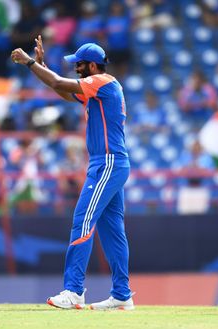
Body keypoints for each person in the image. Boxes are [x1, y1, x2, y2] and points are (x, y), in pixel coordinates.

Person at [11, 37, 134, 310]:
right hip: (109, 163)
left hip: (107, 163)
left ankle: (74, 290)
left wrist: (30, 63)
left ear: (92, 65)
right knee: (112, 230)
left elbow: (59, 83)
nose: (75, 68)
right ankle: (122, 295)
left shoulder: (102, 81)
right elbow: (64, 92)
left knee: (83, 219)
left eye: (78, 65)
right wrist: (40, 66)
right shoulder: (99, 86)